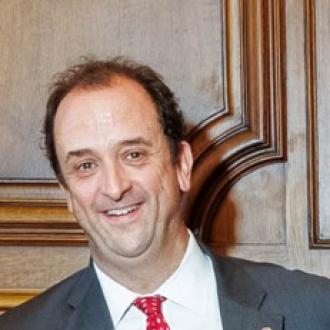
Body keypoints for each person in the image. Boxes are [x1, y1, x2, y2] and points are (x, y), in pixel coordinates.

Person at [0, 57, 329, 330]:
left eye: (134, 154)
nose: (115, 188)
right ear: (68, 194)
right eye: (86, 165)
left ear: (182, 165)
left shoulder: (315, 311)